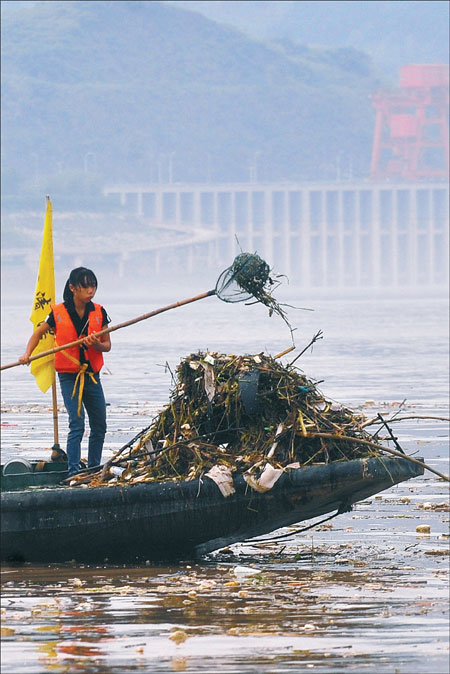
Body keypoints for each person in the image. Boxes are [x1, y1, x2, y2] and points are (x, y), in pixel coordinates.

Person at [19, 267, 111, 477]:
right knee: (76, 423)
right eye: (85, 286)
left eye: (93, 286)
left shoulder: (99, 311)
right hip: (69, 376)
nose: (90, 291)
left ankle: (95, 469)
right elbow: (37, 334)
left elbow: (107, 345)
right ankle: (73, 472)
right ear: (72, 288)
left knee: (99, 424)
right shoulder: (58, 313)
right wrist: (27, 354)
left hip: (91, 376)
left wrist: (95, 344)